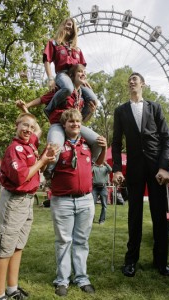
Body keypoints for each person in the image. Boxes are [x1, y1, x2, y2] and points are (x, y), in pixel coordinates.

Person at [112, 72, 169, 277]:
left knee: (159, 216)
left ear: (143, 84)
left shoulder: (154, 107)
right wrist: (118, 169)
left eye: (135, 79)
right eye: (129, 80)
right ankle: (131, 261)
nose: (131, 81)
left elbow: (166, 138)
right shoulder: (120, 110)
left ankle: (161, 261)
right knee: (134, 216)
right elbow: (115, 143)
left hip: (157, 169)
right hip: (135, 169)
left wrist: (164, 167)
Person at [0, 112, 58, 300]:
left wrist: (46, 159)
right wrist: (43, 161)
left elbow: (38, 129)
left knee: (17, 247)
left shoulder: (29, 144)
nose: (29, 129)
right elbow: (22, 176)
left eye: (31, 126)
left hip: (27, 201)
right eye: (24, 125)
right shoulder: (15, 148)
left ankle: (12, 289)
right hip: (14, 201)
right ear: (16, 125)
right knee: (4, 250)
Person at [50, 108, 107, 297]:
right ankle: (62, 280)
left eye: (77, 122)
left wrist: (105, 148)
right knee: (64, 241)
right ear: (64, 125)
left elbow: (98, 164)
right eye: (71, 122)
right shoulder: (57, 145)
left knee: (82, 241)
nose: (75, 124)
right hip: (63, 201)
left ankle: (82, 278)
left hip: (85, 200)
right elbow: (47, 169)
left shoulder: (86, 145)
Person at [17, 64, 101, 179]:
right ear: (72, 75)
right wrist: (27, 105)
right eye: (80, 72)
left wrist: (91, 112)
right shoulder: (63, 90)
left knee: (99, 142)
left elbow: (84, 120)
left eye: (84, 72)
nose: (83, 74)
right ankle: (49, 174)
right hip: (58, 124)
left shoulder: (82, 98)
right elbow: (42, 99)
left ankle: (88, 167)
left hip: (74, 126)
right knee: (54, 147)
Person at [43, 17, 97, 117]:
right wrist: (51, 79)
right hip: (63, 74)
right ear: (63, 25)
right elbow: (47, 60)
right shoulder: (53, 43)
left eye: (72, 26)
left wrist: (84, 80)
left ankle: (78, 118)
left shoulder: (77, 49)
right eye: (68, 24)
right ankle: (49, 109)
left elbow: (82, 68)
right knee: (68, 88)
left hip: (76, 76)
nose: (70, 27)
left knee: (93, 99)